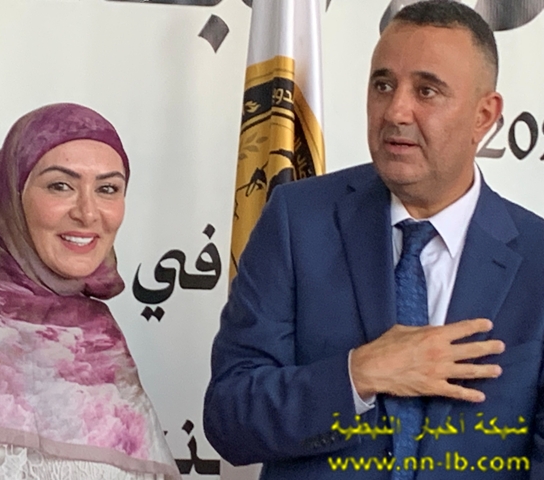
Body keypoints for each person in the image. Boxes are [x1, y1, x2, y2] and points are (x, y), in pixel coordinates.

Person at [204, 2, 544, 479]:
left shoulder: (537, 258)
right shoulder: (297, 220)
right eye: (383, 85)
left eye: (427, 90)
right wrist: (358, 374)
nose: (396, 110)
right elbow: (230, 418)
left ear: (483, 116)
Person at [0, 103, 181, 480]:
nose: (88, 212)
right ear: (9, 199)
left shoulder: (102, 346)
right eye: (60, 186)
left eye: (107, 189)